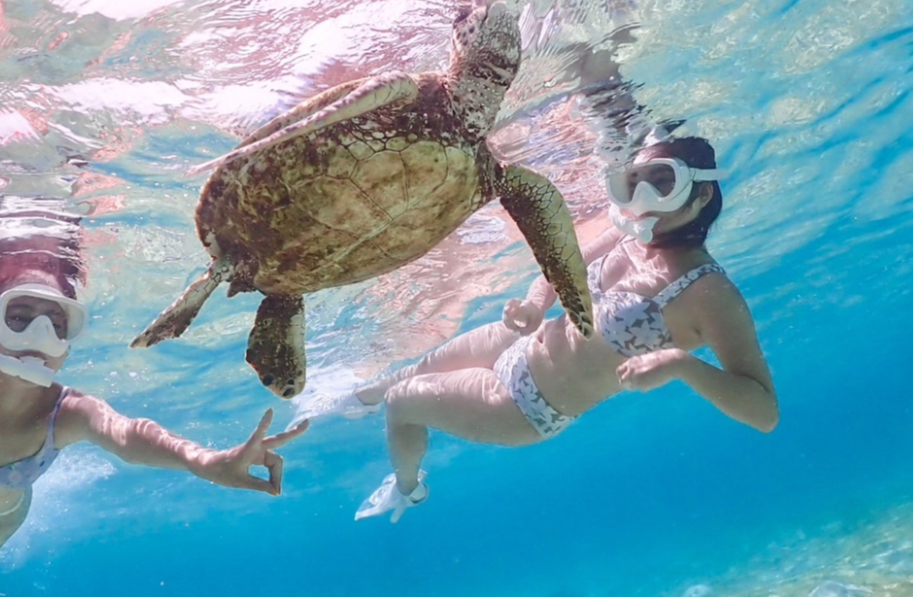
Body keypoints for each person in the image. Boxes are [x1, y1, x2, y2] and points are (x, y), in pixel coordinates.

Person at [297, 136, 777, 522]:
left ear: (702, 194)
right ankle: (359, 399)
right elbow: (557, 266)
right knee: (404, 377)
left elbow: (764, 410)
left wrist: (681, 365)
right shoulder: (630, 234)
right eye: (634, 182)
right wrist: (532, 306)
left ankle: (407, 488)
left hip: (526, 406)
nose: (643, 198)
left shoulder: (710, 294)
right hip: (523, 341)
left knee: (404, 404)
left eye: (662, 183)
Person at [0, 243, 307, 564]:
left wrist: (204, 462)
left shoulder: (67, 413)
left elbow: (127, 434)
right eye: (20, 318)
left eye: (57, 323)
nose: (40, 336)